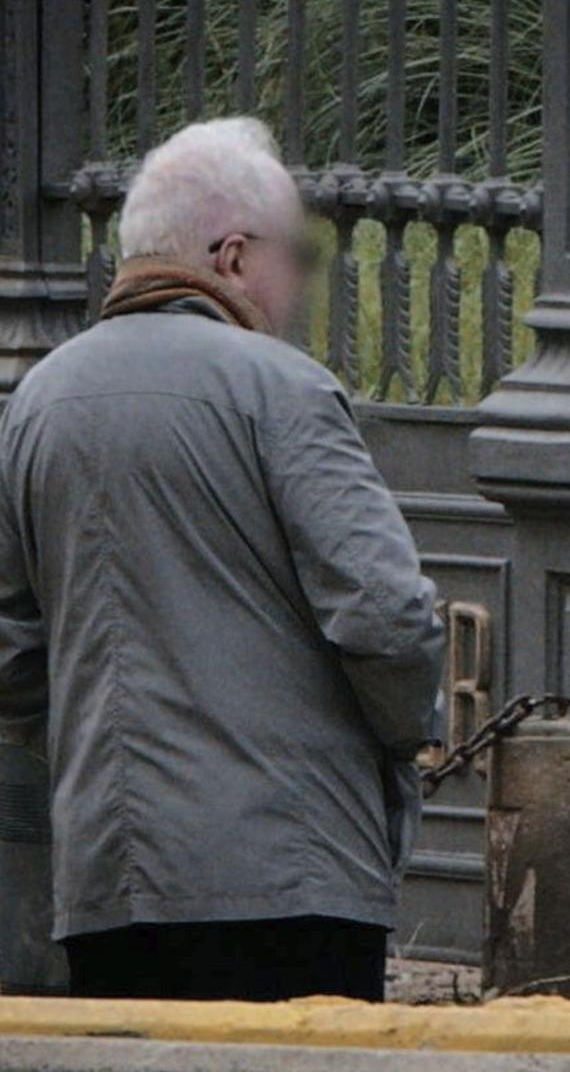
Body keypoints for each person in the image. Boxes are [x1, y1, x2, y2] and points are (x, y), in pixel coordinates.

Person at [0, 117, 444, 1002]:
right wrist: (403, 739)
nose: (298, 287)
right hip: (291, 874)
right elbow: (388, 616)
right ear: (233, 257)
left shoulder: (33, 406)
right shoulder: (281, 390)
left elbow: (13, 656)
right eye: (295, 258)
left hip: (105, 880)